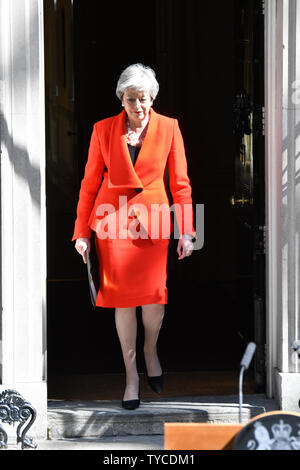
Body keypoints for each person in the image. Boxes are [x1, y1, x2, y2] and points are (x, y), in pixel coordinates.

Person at [72, 63, 196, 410]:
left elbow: (181, 184)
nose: (137, 106)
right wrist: (81, 231)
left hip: (154, 223)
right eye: (130, 100)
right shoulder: (103, 130)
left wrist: (186, 230)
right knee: (123, 301)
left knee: (154, 297)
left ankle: (150, 349)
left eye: (143, 99)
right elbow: (89, 183)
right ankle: (131, 376)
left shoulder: (170, 128)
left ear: (152, 97)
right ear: (121, 100)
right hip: (112, 226)